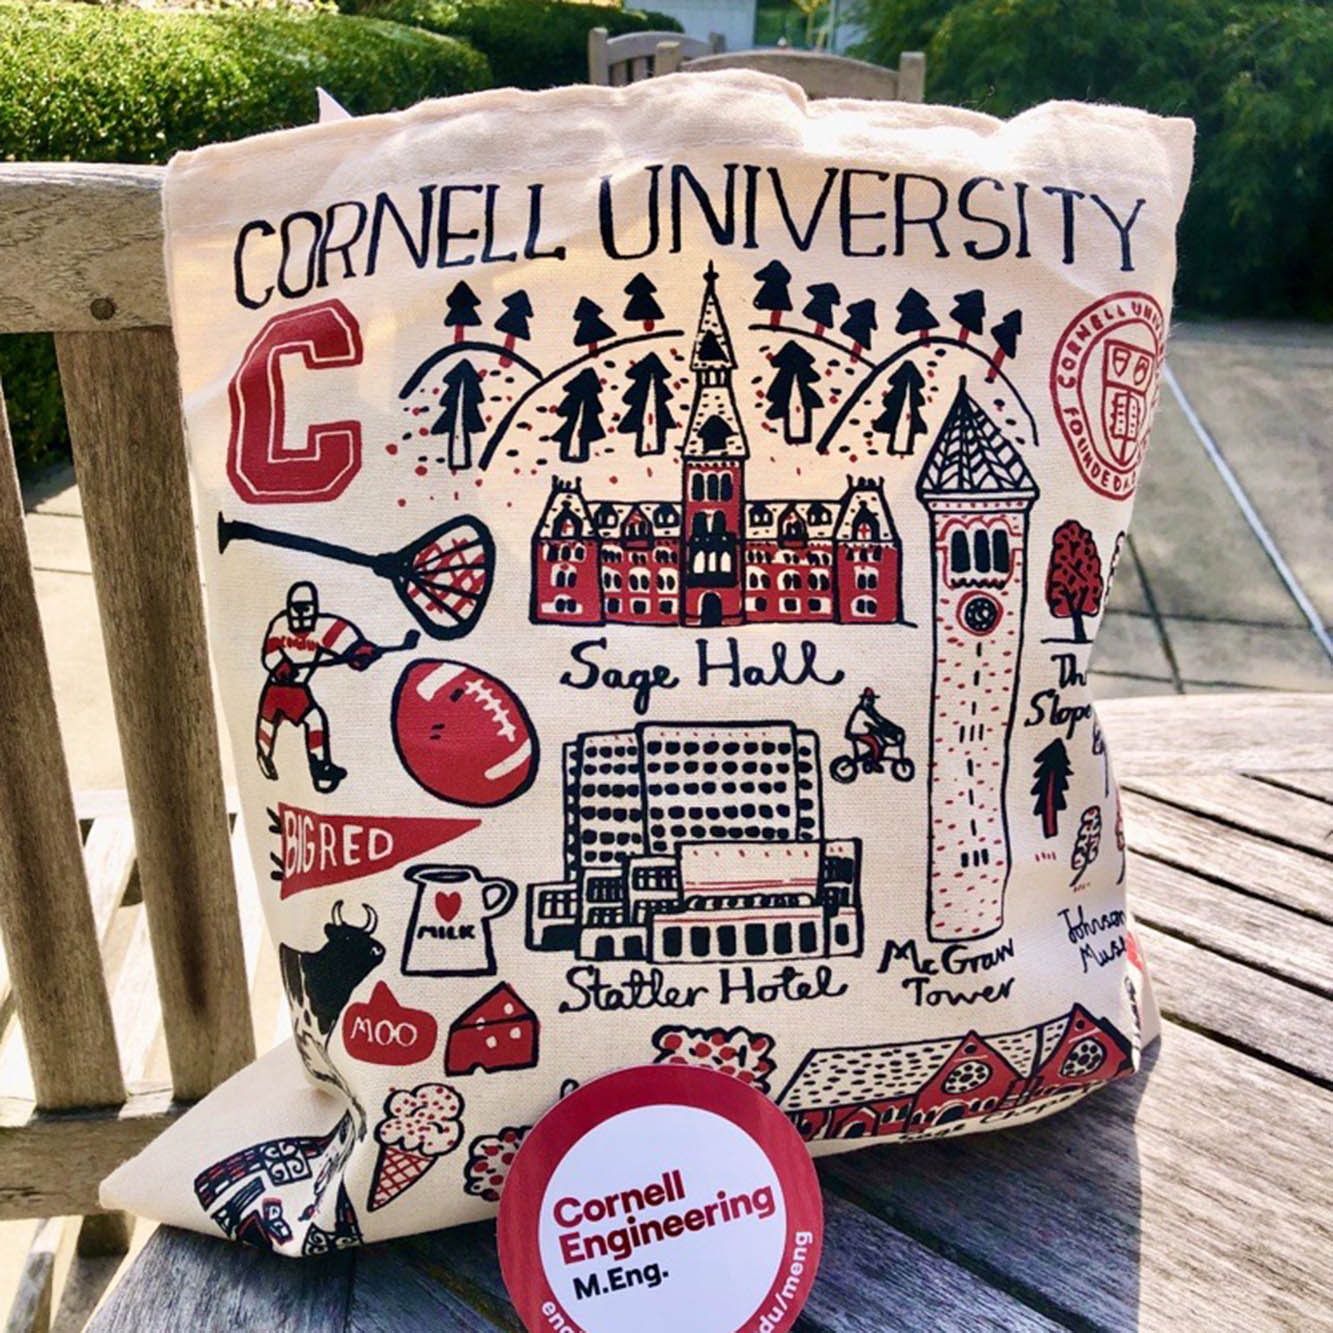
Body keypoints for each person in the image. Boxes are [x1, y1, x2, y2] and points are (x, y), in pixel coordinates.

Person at [255, 581, 381, 792]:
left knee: (315, 720)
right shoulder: (280, 625)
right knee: (268, 723)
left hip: (298, 690)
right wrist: (279, 666)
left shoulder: (324, 628)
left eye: (306, 608)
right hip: (277, 688)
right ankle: (263, 755)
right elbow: (269, 652)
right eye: (297, 608)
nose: (302, 614)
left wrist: (362, 652)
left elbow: (348, 645)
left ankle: (320, 766)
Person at [844, 687, 905, 771]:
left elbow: (880, 719)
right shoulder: (862, 709)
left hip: (863, 731)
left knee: (881, 742)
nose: (871, 701)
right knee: (877, 745)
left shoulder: (869, 709)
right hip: (857, 732)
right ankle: (874, 763)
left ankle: (870, 758)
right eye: (869, 699)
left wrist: (893, 727)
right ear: (864, 699)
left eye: (872, 699)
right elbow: (874, 721)